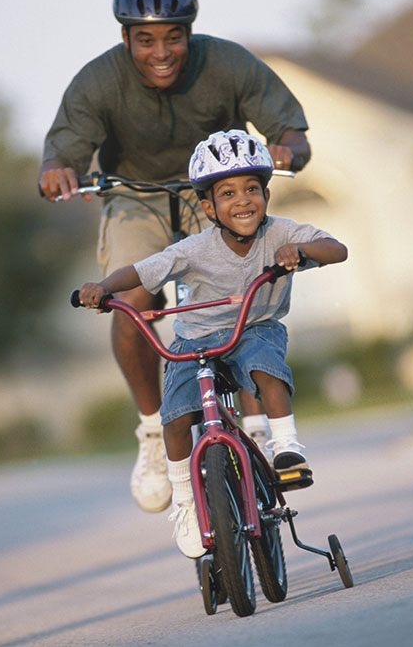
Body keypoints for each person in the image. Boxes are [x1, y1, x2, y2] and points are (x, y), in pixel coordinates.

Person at [38, 0, 312, 515]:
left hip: (212, 194)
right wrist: (57, 169)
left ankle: (257, 424)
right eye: (145, 39)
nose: (160, 51)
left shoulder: (227, 62)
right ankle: (150, 430)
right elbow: (63, 149)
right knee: (131, 301)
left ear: (190, 31)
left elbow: (290, 130)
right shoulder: (99, 80)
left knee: (244, 292)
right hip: (133, 196)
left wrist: (288, 146)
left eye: (173, 36)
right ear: (126, 40)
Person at [78, 129, 348, 557]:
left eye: (252, 189)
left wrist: (300, 250)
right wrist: (103, 287)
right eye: (227, 193)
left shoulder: (281, 235)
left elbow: (338, 248)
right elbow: (142, 270)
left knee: (264, 364)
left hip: (253, 326)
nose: (242, 200)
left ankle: (287, 449)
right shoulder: (192, 249)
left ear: (267, 195)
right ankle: (185, 503)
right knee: (175, 417)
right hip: (195, 340)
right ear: (208, 207)